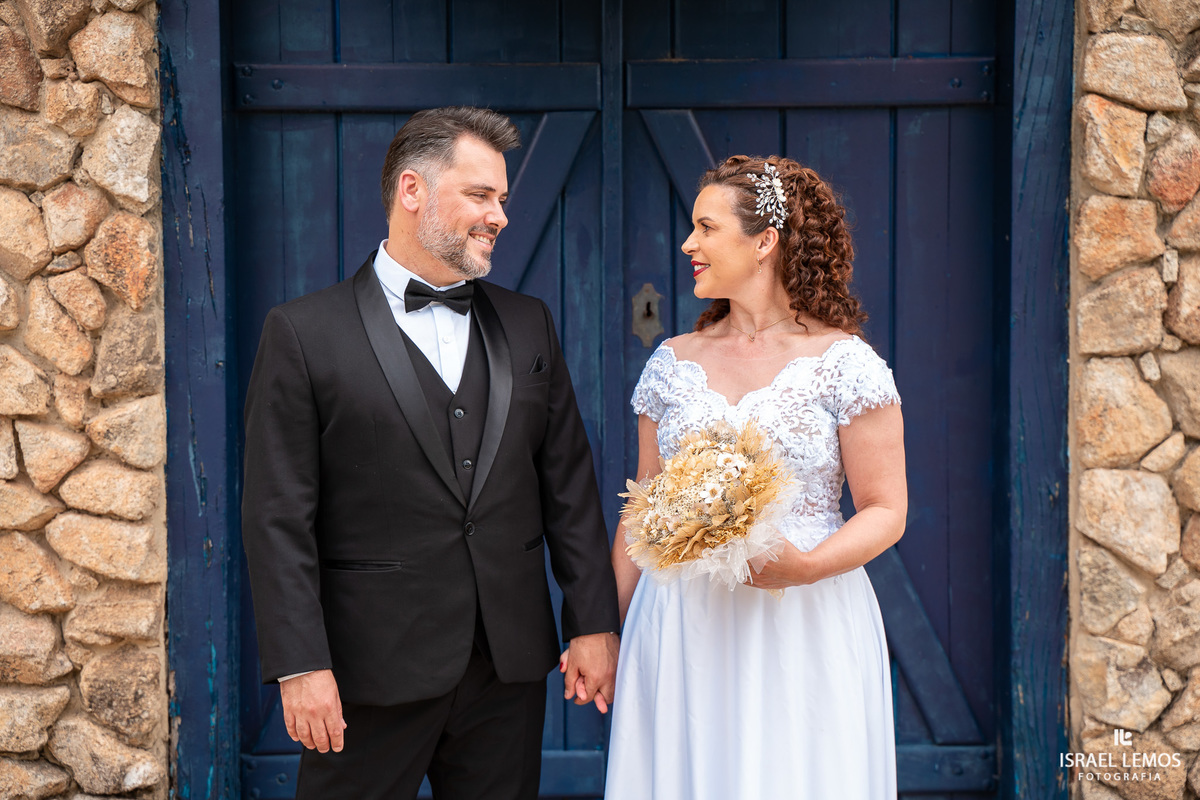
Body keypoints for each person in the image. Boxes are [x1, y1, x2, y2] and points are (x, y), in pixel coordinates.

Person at [241, 106, 620, 800]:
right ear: (412, 191)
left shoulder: (528, 321)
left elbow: (568, 484)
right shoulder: (303, 333)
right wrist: (301, 664)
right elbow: (276, 516)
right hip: (367, 670)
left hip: (506, 666)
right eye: (481, 195)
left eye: (502, 199)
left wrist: (593, 620)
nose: (499, 216)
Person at [603, 155, 906, 799]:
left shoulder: (843, 364)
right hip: (682, 621)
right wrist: (606, 628)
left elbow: (886, 508)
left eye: (706, 228)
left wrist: (809, 567)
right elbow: (641, 505)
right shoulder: (672, 363)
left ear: (764, 242)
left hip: (803, 617)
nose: (689, 243)